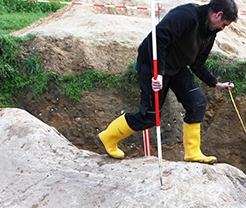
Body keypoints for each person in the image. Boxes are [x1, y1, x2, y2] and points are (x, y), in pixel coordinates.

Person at [97, 0, 238, 163]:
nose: (222, 29)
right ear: (217, 14)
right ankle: (107, 138)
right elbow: (157, 39)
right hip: (152, 64)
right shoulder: (187, 15)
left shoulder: (209, 32)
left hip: (176, 68)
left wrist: (215, 83)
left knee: (197, 102)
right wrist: (158, 73)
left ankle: (192, 153)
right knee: (150, 118)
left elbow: (197, 64)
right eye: (224, 24)